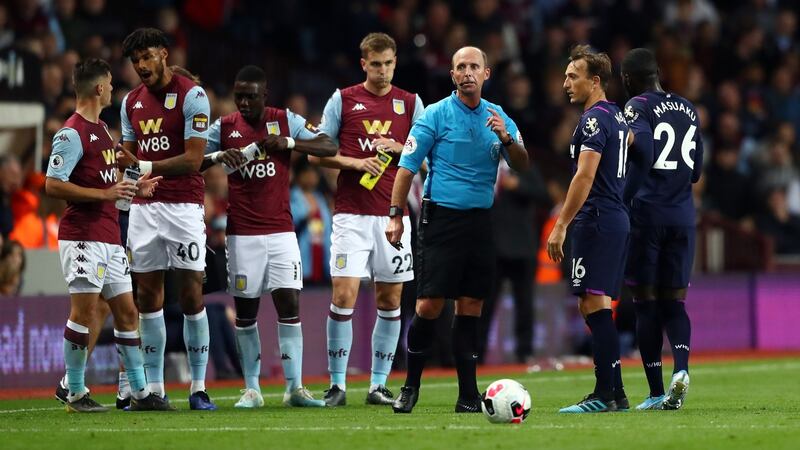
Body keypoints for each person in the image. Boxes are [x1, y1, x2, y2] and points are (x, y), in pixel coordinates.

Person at [386, 46, 529, 414]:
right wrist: (395, 214)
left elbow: (523, 165)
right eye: (460, 67)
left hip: (480, 222)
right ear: (452, 75)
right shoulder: (435, 115)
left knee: (471, 307)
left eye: (474, 66)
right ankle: (409, 387)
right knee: (429, 304)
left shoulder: (499, 118)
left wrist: (507, 139)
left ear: (486, 74)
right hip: (440, 219)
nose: (467, 72)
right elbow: (406, 168)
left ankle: (468, 395)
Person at [202, 65, 337, 408]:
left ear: (265, 94)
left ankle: (294, 388)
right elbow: (193, 159)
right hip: (242, 235)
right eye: (239, 96)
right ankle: (252, 389)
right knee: (246, 312)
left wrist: (290, 142)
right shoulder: (225, 126)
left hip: (281, 232)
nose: (243, 102)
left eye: (250, 96)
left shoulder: (283, 119)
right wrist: (217, 155)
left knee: (289, 306)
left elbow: (328, 144)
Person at [44, 58, 169, 412]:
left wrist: (135, 187)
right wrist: (106, 195)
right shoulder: (72, 133)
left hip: (109, 237)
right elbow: (53, 184)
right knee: (83, 312)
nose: (114, 88)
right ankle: (76, 393)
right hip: (82, 236)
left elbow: (106, 181)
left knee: (127, 313)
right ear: (99, 88)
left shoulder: (101, 130)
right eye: (111, 83)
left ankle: (141, 394)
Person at [310, 32, 425, 406]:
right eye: (375, 64)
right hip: (350, 216)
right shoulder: (343, 99)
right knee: (343, 295)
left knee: (390, 299)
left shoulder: (410, 103)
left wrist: (400, 148)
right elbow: (317, 154)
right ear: (364, 64)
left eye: (389, 63)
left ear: (395, 62)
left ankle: (377, 385)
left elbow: (426, 160)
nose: (383, 70)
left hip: (393, 217)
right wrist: (355, 162)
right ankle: (338, 384)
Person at [115, 28, 216, 410]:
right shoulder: (130, 103)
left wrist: (140, 164)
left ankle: (198, 387)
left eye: (146, 57)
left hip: (184, 208)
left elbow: (193, 160)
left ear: (163, 53)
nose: (141, 66)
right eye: (134, 61)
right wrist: (126, 193)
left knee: (191, 295)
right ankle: (154, 387)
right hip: (144, 210)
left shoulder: (193, 95)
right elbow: (125, 156)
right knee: (147, 296)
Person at [546, 45, 630, 413]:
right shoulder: (618, 117)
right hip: (613, 216)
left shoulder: (594, 120)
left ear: (595, 81)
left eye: (573, 76)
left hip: (597, 218)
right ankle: (617, 391)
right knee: (593, 304)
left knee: (593, 303)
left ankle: (605, 394)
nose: (566, 83)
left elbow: (585, 174)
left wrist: (561, 224)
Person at [621, 47, 704, 411]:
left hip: (648, 214)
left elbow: (647, 149)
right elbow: (697, 170)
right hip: (684, 215)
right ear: (658, 72)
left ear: (627, 79)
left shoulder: (636, 107)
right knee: (676, 302)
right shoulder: (689, 108)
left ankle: (655, 392)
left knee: (645, 304)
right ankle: (681, 370)